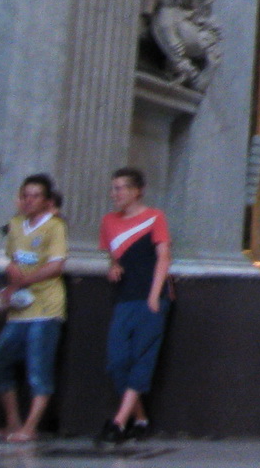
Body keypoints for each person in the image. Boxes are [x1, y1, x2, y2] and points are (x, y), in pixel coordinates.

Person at [0, 175, 66, 443]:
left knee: (38, 368)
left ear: (46, 201)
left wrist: (26, 280)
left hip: (45, 308)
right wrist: (13, 277)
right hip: (19, 308)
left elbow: (56, 265)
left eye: (35, 196)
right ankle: (13, 421)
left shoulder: (55, 226)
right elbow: (11, 256)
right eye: (25, 196)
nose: (29, 201)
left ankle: (31, 427)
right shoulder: (15, 224)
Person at [96, 168, 172, 445]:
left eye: (120, 188)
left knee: (142, 358)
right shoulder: (108, 221)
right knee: (118, 360)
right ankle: (140, 418)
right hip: (124, 298)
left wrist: (154, 295)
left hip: (150, 297)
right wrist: (113, 265)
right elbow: (112, 254)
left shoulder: (154, 217)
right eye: (113, 188)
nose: (115, 194)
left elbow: (163, 257)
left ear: (136, 190)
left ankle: (118, 422)